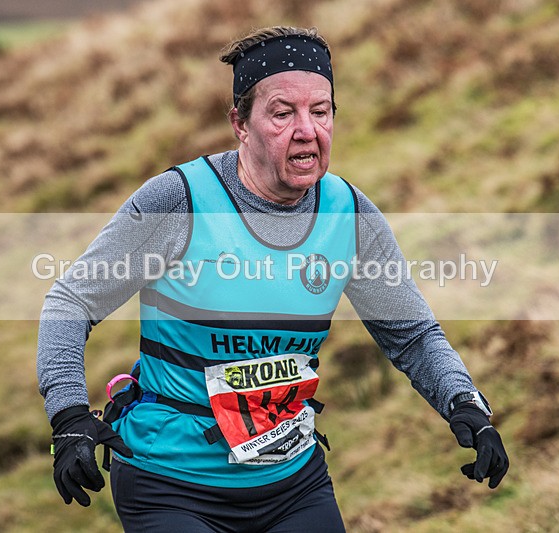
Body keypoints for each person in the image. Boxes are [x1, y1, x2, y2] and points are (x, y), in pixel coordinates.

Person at [37, 25, 508, 532]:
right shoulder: (179, 201)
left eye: (321, 111)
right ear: (240, 123)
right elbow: (71, 301)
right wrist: (69, 417)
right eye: (282, 113)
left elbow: (412, 335)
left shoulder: (348, 216)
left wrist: (467, 404)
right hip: (168, 485)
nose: (306, 130)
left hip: (291, 482)